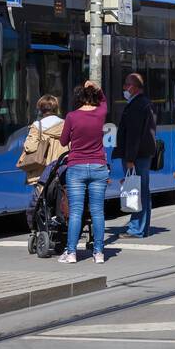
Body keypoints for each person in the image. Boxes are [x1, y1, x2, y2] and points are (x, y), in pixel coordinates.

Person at [59, 80, 109, 264]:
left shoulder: (72, 116)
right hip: (98, 167)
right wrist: (97, 86)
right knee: (98, 212)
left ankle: (71, 253)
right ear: (94, 96)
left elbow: (64, 142)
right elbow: (104, 102)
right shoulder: (101, 113)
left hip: (77, 168)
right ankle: (98, 253)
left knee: (76, 212)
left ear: (79, 98)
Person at [113, 73, 157, 238]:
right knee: (141, 191)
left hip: (137, 156)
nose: (124, 88)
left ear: (135, 87)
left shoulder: (138, 105)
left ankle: (136, 228)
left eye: (127, 84)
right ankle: (141, 228)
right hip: (141, 155)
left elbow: (134, 135)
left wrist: (130, 159)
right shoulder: (143, 103)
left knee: (136, 191)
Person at [20, 94, 66, 187]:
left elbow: (30, 147)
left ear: (40, 109)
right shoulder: (65, 124)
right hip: (61, 167)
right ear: (56, 108)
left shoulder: (37, 126)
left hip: (42, 170)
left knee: (41, 197)